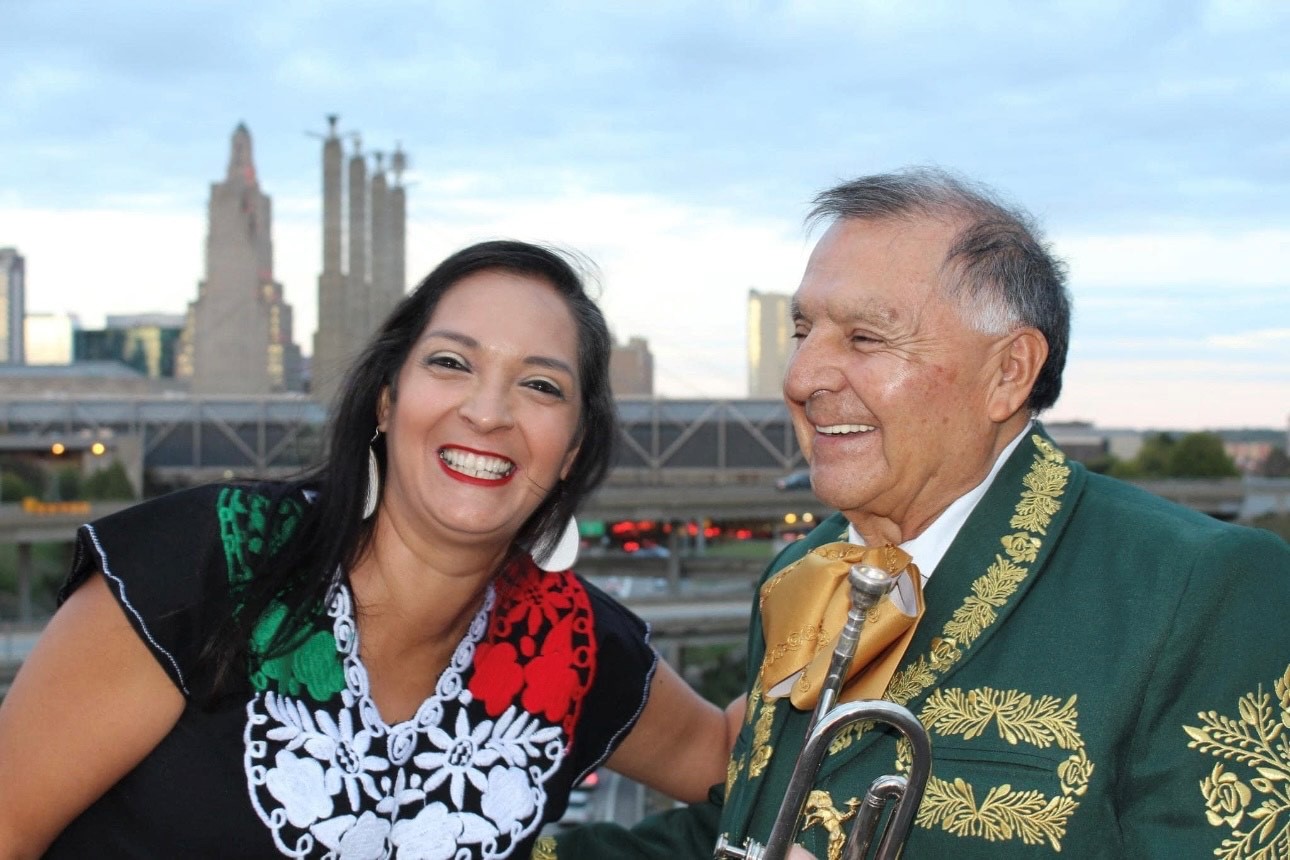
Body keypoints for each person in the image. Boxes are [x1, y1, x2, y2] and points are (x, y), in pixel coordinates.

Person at [542, 169, 1290, 860]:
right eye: (803, 332)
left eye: (865, 338)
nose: (801, 377)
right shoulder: (804, 573)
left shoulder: (1206, 589)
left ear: (1007, 373)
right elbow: (753, 825)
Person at [0, 240, 733, 859]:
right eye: (451, 363)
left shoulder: (574, 646)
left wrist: (847, 534)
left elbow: (738, 761)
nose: (486, 412)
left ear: (571, 450)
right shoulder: (213, 560)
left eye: (540, 385)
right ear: (387, 400)